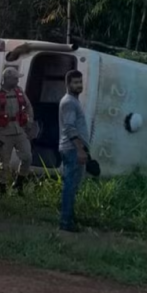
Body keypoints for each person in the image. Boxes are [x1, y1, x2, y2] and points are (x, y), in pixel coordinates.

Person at [0, 66, 35, 196]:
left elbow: (28, 106)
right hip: (3, 133)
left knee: (27, 157)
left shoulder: (19, 91)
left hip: (19, 130)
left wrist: (29, 121)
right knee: (4, 163)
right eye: (15, 79)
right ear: (7, 79)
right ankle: (2, 188)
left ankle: (19, 182)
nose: (17, 81)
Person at [58, 70, 90, 231]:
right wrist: (80, 150)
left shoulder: (73, 101)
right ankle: (65, 222)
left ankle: (68, 216)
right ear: (68, 84)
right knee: (70, 185)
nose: (79, 85)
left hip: (73, 149)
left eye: (80, 82)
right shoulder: (69, 102)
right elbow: (70, 128)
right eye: (75, 82)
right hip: (72, 149)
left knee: (73, 184)